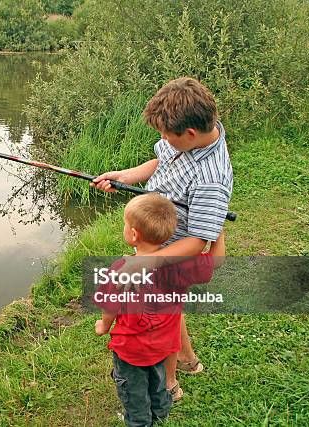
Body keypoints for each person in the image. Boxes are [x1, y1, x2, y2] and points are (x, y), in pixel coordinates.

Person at [91, 77, 233, 395]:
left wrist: (148, 262)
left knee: (164, 314)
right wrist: (125, 176)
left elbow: (199, 241)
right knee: (170, 310)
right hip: (157, 241)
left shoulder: (212, 180)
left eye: (167, 135)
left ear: (191, 134)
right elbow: (161, 163)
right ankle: (190, 359)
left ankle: (169, 382)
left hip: (171, 253)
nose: (162, 139)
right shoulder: (189, 133)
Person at [94, 193, 225, 427]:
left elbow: (109, 306)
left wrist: (104, 325)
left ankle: (139, 421)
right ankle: (161, 413)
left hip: (131, 351)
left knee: (134, 391)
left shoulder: (121, 269)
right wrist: (217, 227)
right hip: (164, 345)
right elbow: (216, 260)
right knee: (158, 380)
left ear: (133, 235)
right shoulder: (182, 265)